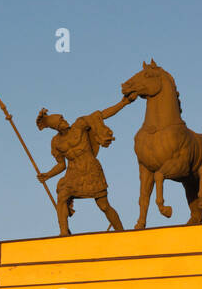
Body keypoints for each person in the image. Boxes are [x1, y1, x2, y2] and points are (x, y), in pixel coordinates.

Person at [36, 93, 134, 233]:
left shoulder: (79, 125)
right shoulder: (56, 142)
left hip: (91, 169)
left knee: (104, 205)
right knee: (62, 196)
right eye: (60, 121)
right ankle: (64, 232)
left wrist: (122, 103)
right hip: (73, 173)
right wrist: (47, 175)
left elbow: (100, 115)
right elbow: (61, 165)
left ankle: (121, 232)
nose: (64, 122)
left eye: (63, 118)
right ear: (56, 127)